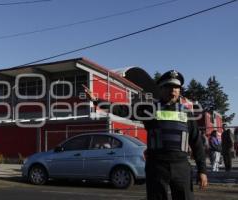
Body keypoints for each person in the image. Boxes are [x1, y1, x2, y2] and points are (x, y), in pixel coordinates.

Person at [83, 70, 208, 200]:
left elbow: (196, 143)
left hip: (181, 166)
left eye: (176, 87)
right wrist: (97, 100)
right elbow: (124, 110)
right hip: (157, 166)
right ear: (161, 89)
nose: (173, 90)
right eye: (169, 86)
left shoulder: (187, 113)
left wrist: (202, 170)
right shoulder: (149, 109)